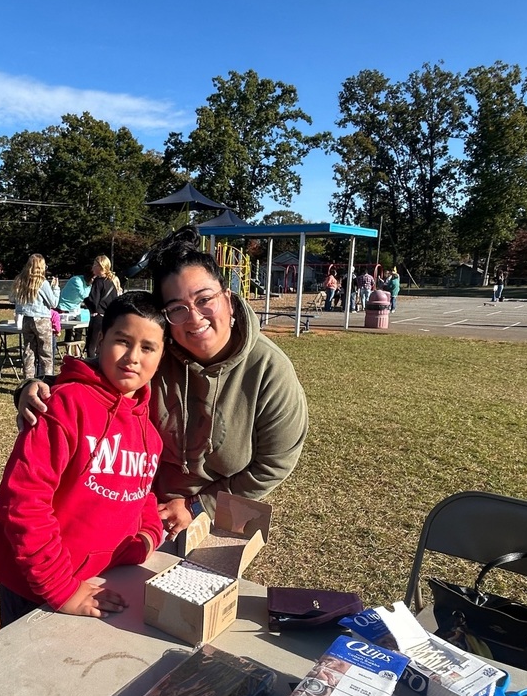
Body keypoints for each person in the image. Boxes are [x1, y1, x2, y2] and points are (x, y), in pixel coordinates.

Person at [16, 226, 309, 538]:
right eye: (177, 309)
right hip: (134, 512)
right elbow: (95, 377)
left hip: (214, 518)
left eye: (204, 299)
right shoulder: (156, 355)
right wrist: (34, 387)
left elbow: (274, 463)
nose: (194, 318)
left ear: (228, 298)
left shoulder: (270, 370)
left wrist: (199, 507)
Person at [0, 291, 166, 626]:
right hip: (34, 585)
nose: (132, 357)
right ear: (100, 339)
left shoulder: (148, 429)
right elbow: (23, 502)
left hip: (95, 583)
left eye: (148, 347)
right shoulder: (62, 406)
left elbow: (140, 491)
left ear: (161, 356)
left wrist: (147, 536)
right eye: (122, 340)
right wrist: (62, 589)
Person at [11, 254, 59, 379]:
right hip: (41, 319)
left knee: (29, 351)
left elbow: (12, 299)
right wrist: (56, 289)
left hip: (26, 319)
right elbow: (53, 303)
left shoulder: (20, 281)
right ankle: (46, 380)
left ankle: (28, 381)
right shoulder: (42, 283)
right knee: (46, 353)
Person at [84, 254, 121, 357]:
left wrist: (86, 301)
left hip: (98, 317)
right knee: (103, 345)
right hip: (108, 318)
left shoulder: (98, 282)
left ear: (100, 267)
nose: (92, 267)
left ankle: (91, 368)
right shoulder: (111, 282)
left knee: (91, 346)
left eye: (94, 265)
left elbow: (93, 300)